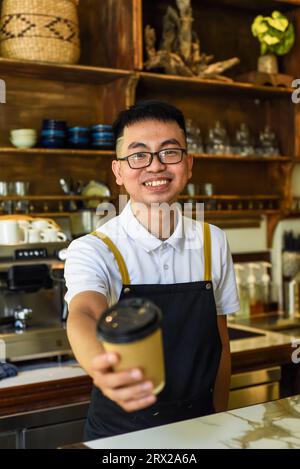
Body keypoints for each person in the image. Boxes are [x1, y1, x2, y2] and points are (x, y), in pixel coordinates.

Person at [64, 100, 240, 441]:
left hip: (202, 429)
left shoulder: (212, 241)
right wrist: (101, 366)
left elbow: (220, 342)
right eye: (139, 154)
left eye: (169, 153)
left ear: (188, 165)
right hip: (121, 435)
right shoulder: (94, 248)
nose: (155, 166)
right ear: (118, 171)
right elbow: (85, 311)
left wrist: (220, 417)